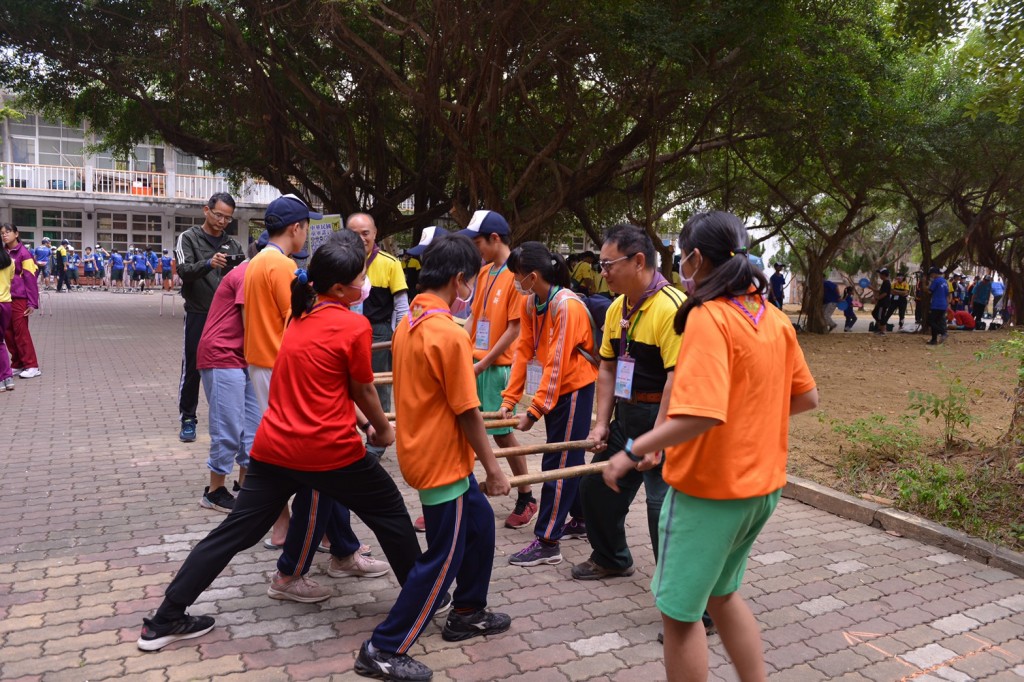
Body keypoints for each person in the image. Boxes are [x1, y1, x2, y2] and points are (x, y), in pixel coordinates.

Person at [137, 239, 423, 653]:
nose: (365, 285)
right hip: (329, 451)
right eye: (360, 279)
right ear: (340, 290)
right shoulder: (353, 325)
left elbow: (328, 383)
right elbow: (361, 387)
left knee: (233, 533)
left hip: (273, 449)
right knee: (392, 515)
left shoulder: (297, 317)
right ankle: (425, 602)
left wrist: (361, 421)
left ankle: (164, 619)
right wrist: (382, 428)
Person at [601, 210, 818, 682]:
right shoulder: (773, 318)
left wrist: (633, 449)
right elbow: (805, 397)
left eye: (682, 256)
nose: (680, 265)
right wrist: (747, 421)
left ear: (696, 258)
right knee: (722, 597)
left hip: (709, 492)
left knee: (679, 617)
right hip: (761, 489)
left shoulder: (708, 317)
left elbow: (699, 414)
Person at [355, 234, 512, 681]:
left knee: (479, 528)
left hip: (430, 454)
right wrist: (496, 469)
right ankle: (384, 647)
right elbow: (468, 412)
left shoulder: (412, 322)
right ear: (461, 280)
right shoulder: (447, 333)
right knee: (441, 560)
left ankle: (468, 611)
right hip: (442, 461)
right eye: (471, 282)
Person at [572, 224, 684, 582]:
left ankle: (687, 601)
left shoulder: (672, 309)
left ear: (638, 261)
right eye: (601, 265)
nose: (601, 273)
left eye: (608, 264)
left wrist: (660, 440)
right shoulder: (617, 307)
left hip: (663, 419)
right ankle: (612, 558)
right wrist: (602, 422)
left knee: (660, 508)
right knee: (595, 488)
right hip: (627, 415)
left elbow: (676, 378)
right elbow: (606, 367)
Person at [500, 242, 599, 567]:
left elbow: (557, 364)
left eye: (516, 275)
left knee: (557, 465)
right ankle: (583, 519)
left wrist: (534, 410)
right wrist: (510, 400)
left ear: (532, 275)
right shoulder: (532, 304)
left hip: (573, 389)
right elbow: (523, 351)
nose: (514, 281)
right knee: (566, 459)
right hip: (557, 389)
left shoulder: (566, 305)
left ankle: (547, 541)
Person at [457, 210, 537, 529]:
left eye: (477, 241)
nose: (474, 248)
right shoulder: (485, 271)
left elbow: (514, 330)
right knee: (466, 428)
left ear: (494, 239)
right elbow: (474, 319)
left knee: (502, 434)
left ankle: (527, 495)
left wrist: (482, 364)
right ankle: (460, 497)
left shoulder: (515, 276)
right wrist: (461, 350)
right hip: (476, 363)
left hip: (497, 368)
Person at [174, 192, 244, 442]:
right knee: (193, 367)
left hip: (227, 317)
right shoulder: (188, 238)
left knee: (232, 367)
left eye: (228, 218)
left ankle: (232, 419)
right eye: (218, 215)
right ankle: (188, 418)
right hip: (198, 314)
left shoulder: (233, 245)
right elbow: (184, 271)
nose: (223, 221)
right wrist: (208, 263)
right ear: (206, 210)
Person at [195, 249, 259, 512]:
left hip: (246, 355)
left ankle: (244, 485)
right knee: (228, 426)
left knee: (252, 425)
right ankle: (215, 491)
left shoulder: (261, 273)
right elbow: (251, 320)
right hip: (221, 354)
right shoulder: (247, 274)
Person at [346, 213, 409, 460]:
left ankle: (378, 441)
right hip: (345, 329)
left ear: (375, 233)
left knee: (379, 386)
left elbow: (402, 305)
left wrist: (400, 337)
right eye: (355, 233)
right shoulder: (341, 262)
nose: (361, 238)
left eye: (366, 233)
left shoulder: (390, 263)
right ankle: (351, 434)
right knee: (348, 385)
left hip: (379, 333)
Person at [1, 224, 41, 380]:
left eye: (8, 232)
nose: (4, 235)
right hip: (5, 298)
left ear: (16, 234)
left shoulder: (24, 254)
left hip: (20, 299)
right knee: (8, 333)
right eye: (2, 233)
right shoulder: (4, 252)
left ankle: (32, 365)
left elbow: (30, 278)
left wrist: (32, 303)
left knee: (21, 332)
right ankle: (17, 363)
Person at [0, 243, 14, 392]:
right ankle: (7, 378)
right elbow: (10, 279)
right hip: (6, 304)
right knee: (0, 342)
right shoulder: (9, 260)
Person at [927, 266, 949, 346]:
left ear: (934, 274)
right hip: (943, 305)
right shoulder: (944, 281)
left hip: (936, 305)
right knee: (936, 322)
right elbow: (947, 294)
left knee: (930, 321)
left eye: (931, 275)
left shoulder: (936, 281)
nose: (931, 277)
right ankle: (933, 340)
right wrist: (947, 305)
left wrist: (926, 286)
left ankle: (943, 333)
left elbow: (929, 291)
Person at [871, 267, 891, 334]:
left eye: (880, 274)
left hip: (883, 303)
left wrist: (876, 299)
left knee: (880, 316)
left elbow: (885, 294)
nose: (879, 276)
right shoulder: (884, 283)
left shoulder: (887, 283)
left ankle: (883, 331)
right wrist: (871, 288)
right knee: (874, 313)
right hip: (881, 302)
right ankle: (879, 328)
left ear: (884, 275)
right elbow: (880, 291)